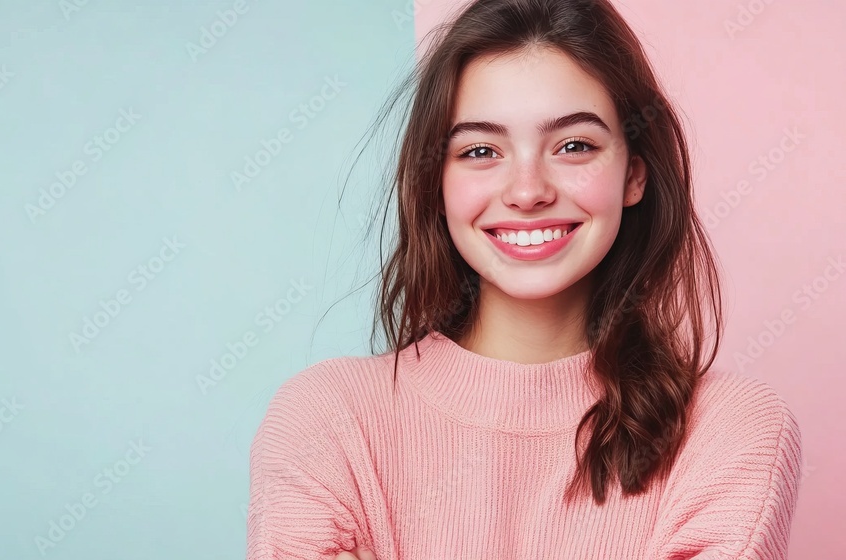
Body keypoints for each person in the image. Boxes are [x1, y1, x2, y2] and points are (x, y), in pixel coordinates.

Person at [246, 0, 804, 558]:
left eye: (574, 145)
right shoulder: (325, 422)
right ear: (435, 183)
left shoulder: (731, 432)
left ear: (633, 173)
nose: (528, 190)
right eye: (481, 150)